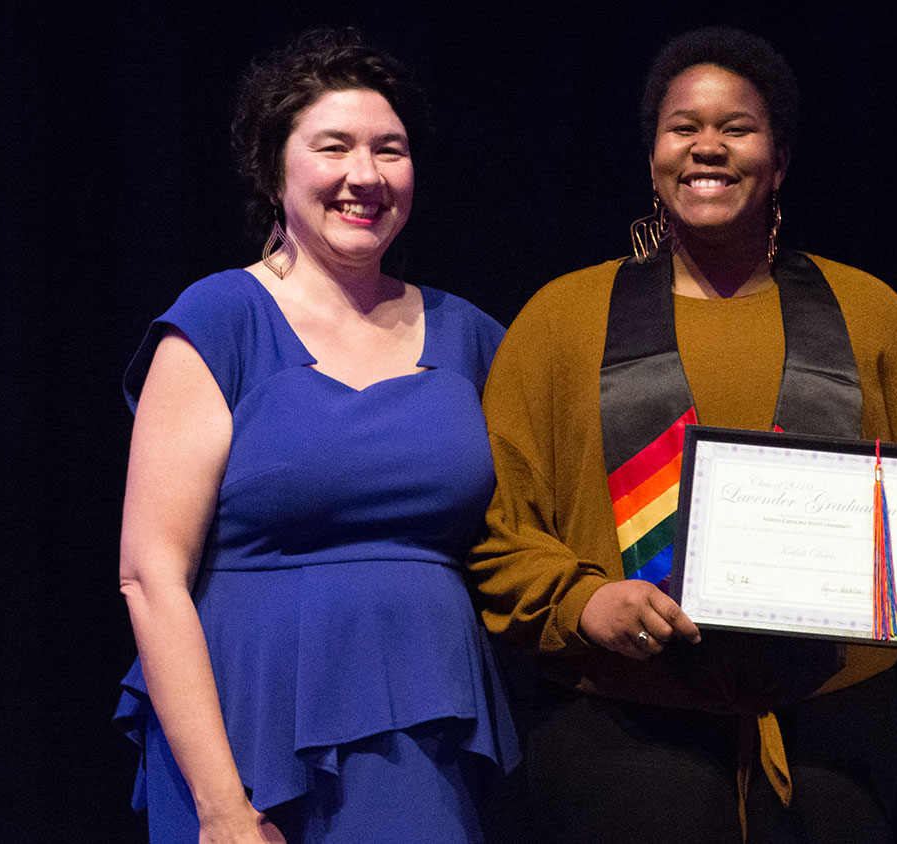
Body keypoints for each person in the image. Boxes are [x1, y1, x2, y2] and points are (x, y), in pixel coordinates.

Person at [469, 26, 897, 844]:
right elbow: (495, 529)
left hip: (832, 744)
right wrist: (582, 600)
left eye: (737, 128)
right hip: (623, 742)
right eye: (683, 128)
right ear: (651, 159)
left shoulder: (871, 315)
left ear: (779, 162)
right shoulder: (563, 321)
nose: (708, 147)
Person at [113, 28, 517, 843]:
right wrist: (223, 807)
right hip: (243, 727)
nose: (363, 176)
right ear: (275, 170)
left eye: (389, 150)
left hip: (426, 729)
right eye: (333, 147)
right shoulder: (220, 320)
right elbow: (150, 575)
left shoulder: (471, 336)